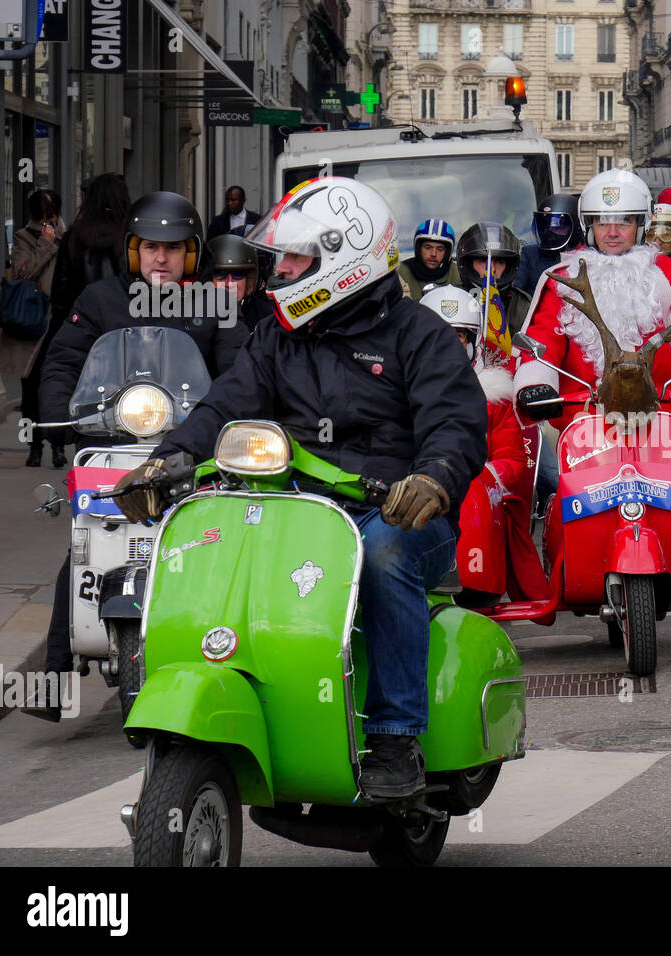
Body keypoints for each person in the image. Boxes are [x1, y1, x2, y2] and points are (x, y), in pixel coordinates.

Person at [112, 178, 488, 800]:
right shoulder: (277, 336)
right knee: (214, 535)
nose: (280, 269)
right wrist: (168, 458)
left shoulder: (416, 333)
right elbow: (223, 405)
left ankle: (396, 737)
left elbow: (456, 420)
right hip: (294, 501)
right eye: (281, 256)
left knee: (385, 556)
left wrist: (434, 479)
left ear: (344, 261)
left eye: (296, 258)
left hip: (393, 508)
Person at [24, 190, 248, 722]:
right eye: (150, 247)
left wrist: (220, 422)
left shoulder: (216, 306)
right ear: (133, 251)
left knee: (215, 540)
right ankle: (56, 676)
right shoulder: (100, 300)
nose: (161, 258)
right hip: (115, 445)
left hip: (190, 449)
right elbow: (63, 360)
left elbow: (240, 373)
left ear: (192, 254)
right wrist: (59, 417)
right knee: (84, 546)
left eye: (173, 248)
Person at [513, 167, 671, 435]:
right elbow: (543, 338)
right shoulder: (563, 279)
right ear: (589, 225)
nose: (613, 232)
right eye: (603, 222)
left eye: (624, 222)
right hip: (584, 423)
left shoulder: (670, 274)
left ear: (640, 225)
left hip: (660, 422)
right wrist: (536, 383)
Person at [422, 284, 549, 603]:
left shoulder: (494, 398)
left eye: (459, 336)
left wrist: (485, 478)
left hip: (475, 505)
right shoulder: (400, 395)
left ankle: (473, 581)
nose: (450, 344)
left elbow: (513, 460)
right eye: (440, 334)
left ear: (473, 341)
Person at [45, 173, 131, 461]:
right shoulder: (129, 239)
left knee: (90, 408)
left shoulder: (74, 238)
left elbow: (60, 296)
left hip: (83, 331)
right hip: (124, 334)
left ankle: (89, 464)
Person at [0, 189, 64, 467]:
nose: (47, 220)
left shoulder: (67, 237)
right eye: (42, 214)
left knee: (59, 386)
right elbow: (23, 272)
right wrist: (45, 245)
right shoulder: (25, 238)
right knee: (31, 388)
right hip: (34, 321)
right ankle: (34, 446)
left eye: (51, 214)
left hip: (58, 320)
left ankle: (59, 445)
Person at [456, 220, 531, 363]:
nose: (491, 270)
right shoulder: (453, 299)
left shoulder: (524, 305)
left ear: (509, 267)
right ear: (467, 264)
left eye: (499, 262)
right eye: (482, 261)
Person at [515, 194, 583, 298]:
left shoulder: (584, 258)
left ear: (575, 228)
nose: (548, 232)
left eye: (558, 226)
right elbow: (516, 291)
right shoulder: (529, 254)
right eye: (544, 226)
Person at [207, 234, 273, 333]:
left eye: (238, 274)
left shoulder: (267, 318)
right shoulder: (193, 314)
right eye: (221, 275)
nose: (229, 284)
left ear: (249, 280)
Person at [396, 219, 461, 301]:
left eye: (440, 249)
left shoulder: (458, 274)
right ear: (418, 248)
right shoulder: (400, 274)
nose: (433, 254)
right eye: (428, 247)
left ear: (447, 252)